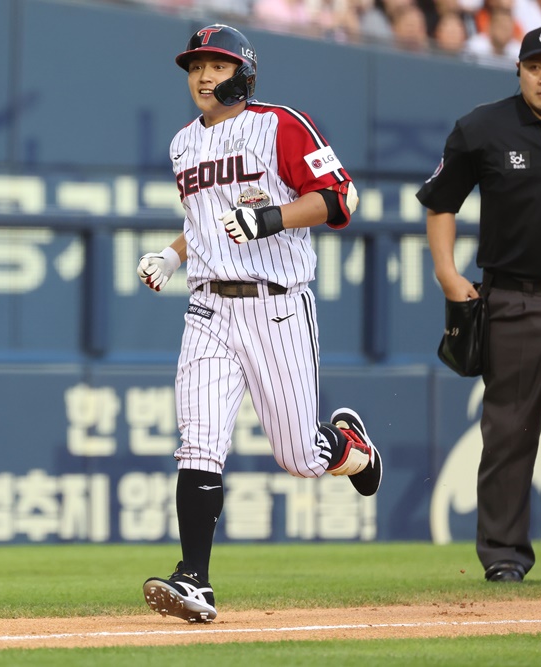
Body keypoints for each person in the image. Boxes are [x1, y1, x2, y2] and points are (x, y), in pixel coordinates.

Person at [136, 24, 382, 623]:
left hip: (276, 305)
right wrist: (172, 255)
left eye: (215, 65)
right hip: (209, 307)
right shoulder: (181, 144)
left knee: (298, 455)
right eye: (195, 66)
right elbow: (202, 222)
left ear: (243, 73)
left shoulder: (280, 124)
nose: (202, 76)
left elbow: (340, 199)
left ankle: (351, 449)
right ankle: (194, 579)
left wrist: (270, 218)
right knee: (198, 441)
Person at [417, 25, 541, 583]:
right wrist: (446, 271)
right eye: (535, 65)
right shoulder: (482, 127)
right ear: (517, 69)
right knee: (511, 430)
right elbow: (441, 202)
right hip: (512, 298)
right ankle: (503, 555)